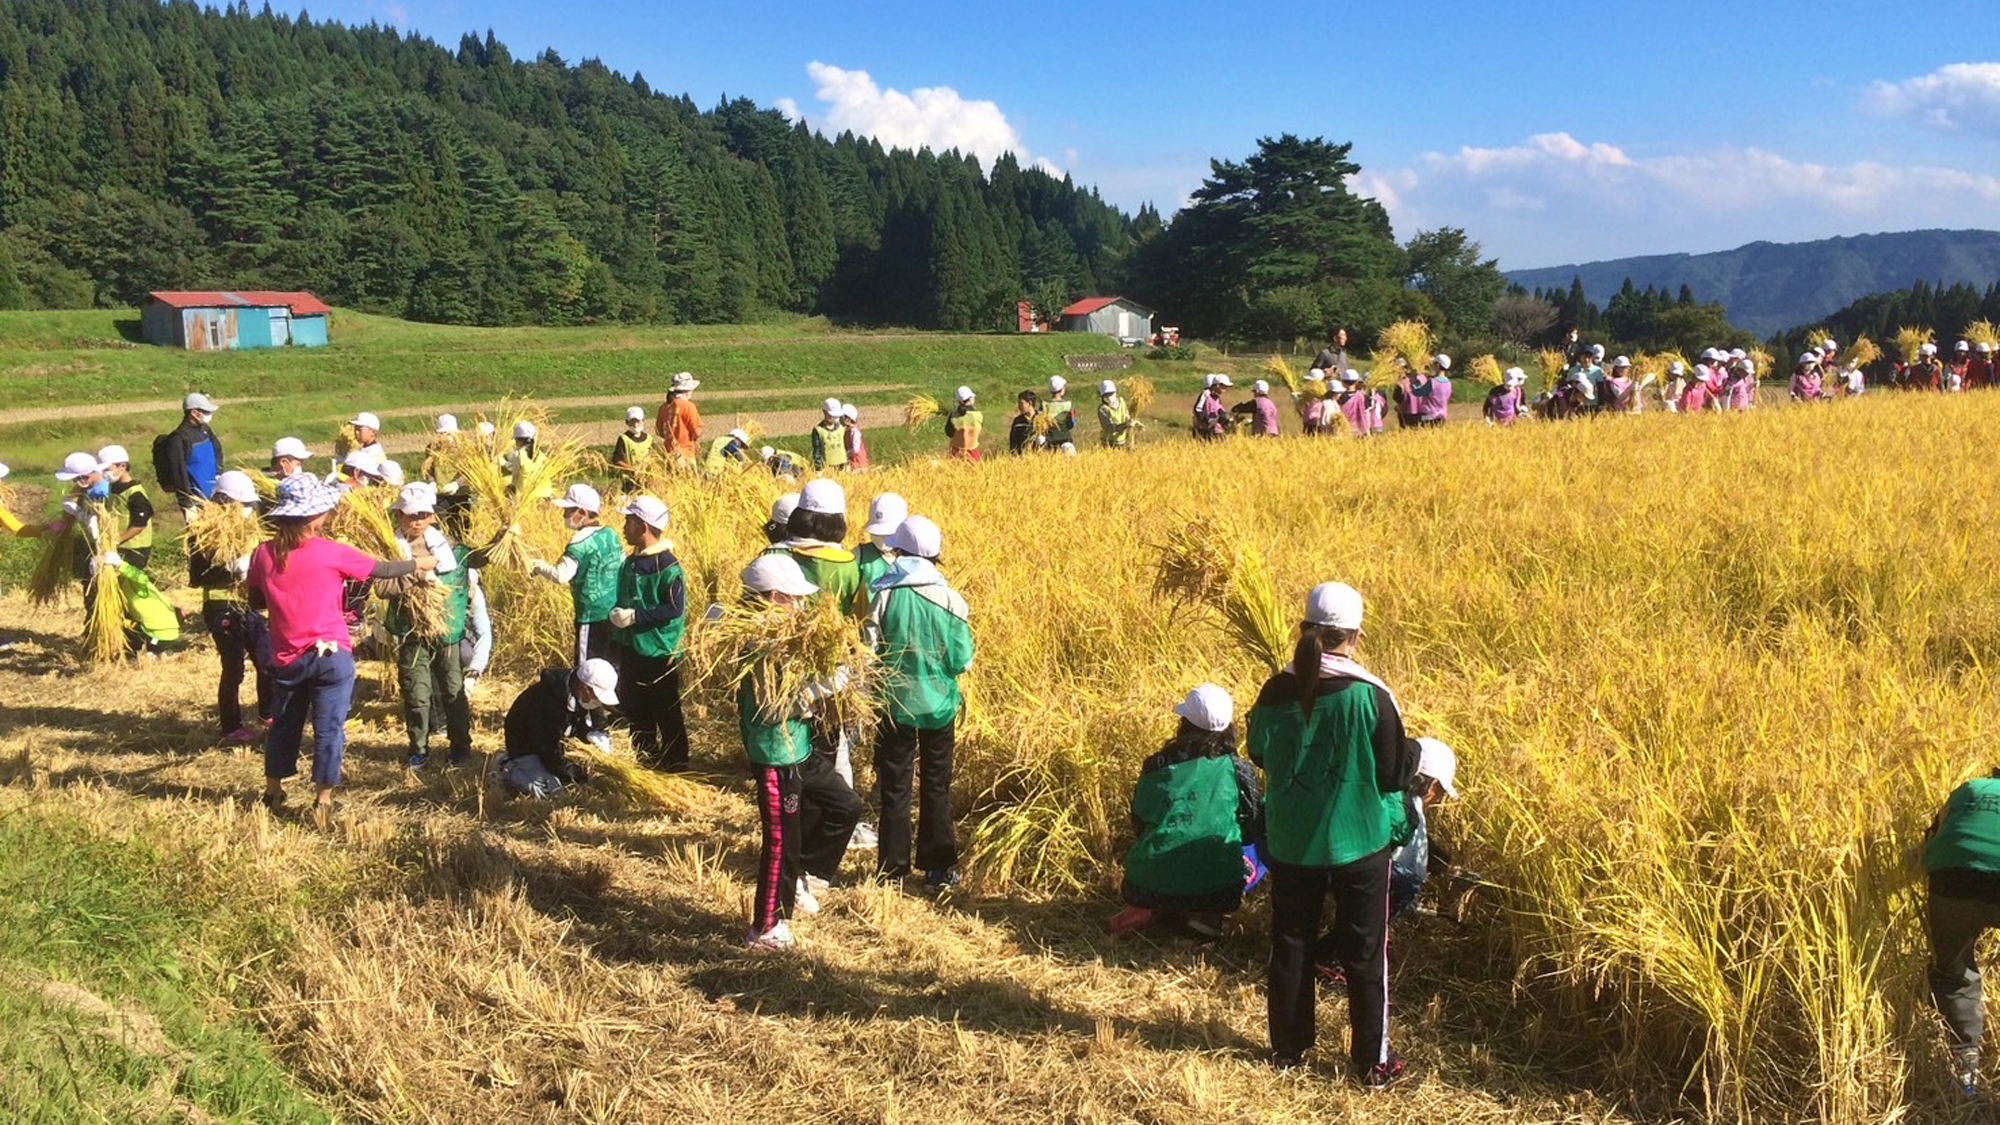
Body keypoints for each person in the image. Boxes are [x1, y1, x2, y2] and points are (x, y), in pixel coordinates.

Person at [1248, 581, 1417, 1084]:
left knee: (1291, 942)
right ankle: (1371, 1062)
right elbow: (1392, 774)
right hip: (1360, 842)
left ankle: (1288, 1050)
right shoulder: (1371, 695)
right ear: (1356, 637)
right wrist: (1413, 755)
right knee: (1365, 953)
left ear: (1305, 629)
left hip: (1292, 842)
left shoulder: (1275, 690)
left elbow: (1259, 752)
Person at [249, 475, 431, 823]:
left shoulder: (263, 553)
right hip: (331, 655)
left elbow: (256, 600)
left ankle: (272, 792)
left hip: (287, 657)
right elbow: (381, 570)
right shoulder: (331, 552)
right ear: (313, 517)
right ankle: (323, 800)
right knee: (329, 729)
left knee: (284, 724)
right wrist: (418, 564)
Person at [736, 555, 864, 949]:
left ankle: (797, 878)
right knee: (780, 844)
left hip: (799, 746)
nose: (801, 605)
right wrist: (819, 689)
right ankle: (766, 927)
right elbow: (770, 708)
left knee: (845, 805)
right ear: (775, 597)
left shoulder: (782, 637)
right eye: (795, 598)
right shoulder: (759, 643)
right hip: (776, 755)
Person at [863, 515, 974, 889]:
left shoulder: (886, 595)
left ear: (900, 552)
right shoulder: (952, 600)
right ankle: (938, 868)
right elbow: (962, 661)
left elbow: (869, 652)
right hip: (940, 705)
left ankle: (891, 871)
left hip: (894, 705)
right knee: (936, 784)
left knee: (895, 786)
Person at [1109, 684, 1264, 940]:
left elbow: (1139, 821)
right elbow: (1250, 828)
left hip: (1143, 887)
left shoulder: (1156, 765)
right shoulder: (1238, 770)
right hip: (1218, 892)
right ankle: (1207, 918)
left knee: (1163, 867)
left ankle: (1149, 909)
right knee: (1258, 843)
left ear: (1185, 723)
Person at [382, 483, 473, 770]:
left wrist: (505, 535)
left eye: (423, 514)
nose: (418, 520)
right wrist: (416, 570)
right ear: (398, 515)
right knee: (416, 694)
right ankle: (418, 749)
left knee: (453, 689)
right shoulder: (390, 548)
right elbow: (382, 588)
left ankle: (461, 748)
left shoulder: (449, 547)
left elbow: (480, 558)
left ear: (433, 516)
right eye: (411, 515)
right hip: (411, 632)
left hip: (446, 631)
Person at [1922, 769, 2000, 1096]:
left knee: (1955, 975)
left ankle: (1966, 1078)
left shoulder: (1971, 787)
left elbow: (1931, 839)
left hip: (1951, 880)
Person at [608, 495, 691, 771]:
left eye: (628, 521)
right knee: (635, 705)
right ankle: (646, 757)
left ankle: (676, 759)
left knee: (665, 706)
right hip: (631, 646)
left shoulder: (667, 566)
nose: (624, 527)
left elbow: (674, 608)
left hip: (659, 650)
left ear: (643, 526)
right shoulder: (631, 562)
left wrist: (635, 616)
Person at [189, 470, 271, 744]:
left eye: (249, 505)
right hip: (220, 604)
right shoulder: (204, 532)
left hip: (249, 604)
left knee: (266, 659)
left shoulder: (252, 528)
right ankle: (231, 726)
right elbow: (196, 576)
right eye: (242, 504)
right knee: (234, 667)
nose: (247, 510)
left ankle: (268, 714)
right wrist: (226, 567)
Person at [530, 483, 625, 665]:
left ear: (582, 513)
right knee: (610, 666)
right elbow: (623, 564)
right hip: (613, 612)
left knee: (586, 668)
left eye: (568, 510)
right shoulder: (610, 534)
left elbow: (561, 576)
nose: (564, 515)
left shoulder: (579, 542)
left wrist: (538, 566)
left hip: (590, 615)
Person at [500, 659, 620, 798]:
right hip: (527, 749)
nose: (598, 703)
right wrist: (582, 775)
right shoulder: (548, 704)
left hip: (549, 745)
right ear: (585, 688)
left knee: (565, 779)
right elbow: (550, 754)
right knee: (550, 790)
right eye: (597, 697)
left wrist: (588, 733)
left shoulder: (574, 690)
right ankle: (508, 765)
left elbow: (571, 725)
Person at [1386, 738, 1458, 922]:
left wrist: (1445, 866)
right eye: (1441, 792)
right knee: (1406, 883)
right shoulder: (1407, 813)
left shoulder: (1391, 793)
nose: (1439, 800)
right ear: (1433, 786)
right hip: (1359, 884)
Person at [157, 392, 224, 512]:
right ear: (194, 413)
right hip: (195, 501)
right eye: (206, 412)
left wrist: (219, 474)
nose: (209, 415)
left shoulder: (205, 429)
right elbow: (178, 472)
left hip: (213, 496)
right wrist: (186, 503)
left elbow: (217, 450)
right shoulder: (179, 438)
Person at [98, 444, 156, 572]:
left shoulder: (135, 493)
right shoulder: (112, 488)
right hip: (118, 545)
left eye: (107, 469)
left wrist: (117, 540)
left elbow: (139, 524)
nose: (104, 473)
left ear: (122, 467)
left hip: (134, 548)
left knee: (130, 580)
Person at [857, 492, 907, 590]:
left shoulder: (914, 559)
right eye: (878, 534)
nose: (882, 538)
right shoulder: (859, 556)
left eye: (888, 534)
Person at [656, 371, 702, 459]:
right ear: (688, 390)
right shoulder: (688, 406)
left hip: (668, 453)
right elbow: (697, 432)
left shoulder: (664, 407)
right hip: (685, 453)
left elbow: (660, 431)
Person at [610, 407, 655, 487]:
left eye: (638, 421)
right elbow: (617, 460)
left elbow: (653, 457)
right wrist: (633, 469)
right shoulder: (624, 439)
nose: (635, 425)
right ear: (627, 422)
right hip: (630, 481)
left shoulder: (649, 438)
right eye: (632, 422)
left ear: (643, 421)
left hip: (646, 479)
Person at [1412, 355, 1452, 428]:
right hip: (1442, 416)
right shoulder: (1448, 382)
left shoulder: (1432, 382)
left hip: (1428, 416)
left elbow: (1417, 392)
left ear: (1438, 365)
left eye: (1434, 363)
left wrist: (1413, 382)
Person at [811, 397, 849, 472]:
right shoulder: (818, 430)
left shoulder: (841, 428)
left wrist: (847, 463)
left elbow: (845, 446)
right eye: (832, 416)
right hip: (827, 468)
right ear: (824, 412)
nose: (835, 418)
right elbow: (817, 451)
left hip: (842, 465)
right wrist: (818, 468)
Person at [945, 386, 983, 461]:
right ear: (970, 399)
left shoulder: (953, 416)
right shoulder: (978, 415)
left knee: (953, 468)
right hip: (972, 452)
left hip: (956, 453)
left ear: (959, 402)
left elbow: (949, 433)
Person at [1041, 376, 1077, 448]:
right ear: (1062, 390)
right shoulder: (1069, 405)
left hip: (1048, 440)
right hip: (1065, 439)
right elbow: (1071, 425)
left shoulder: (1044, 405)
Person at [1097, 379, 1134, 449]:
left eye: (1111, 394)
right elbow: (1109, 427)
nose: (1109, 397)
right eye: (1106, 395)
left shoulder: (1121, 401)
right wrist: (1125, 425)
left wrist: (1131, 422)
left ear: (1115, 393)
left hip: (1122, 441)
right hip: (1109, 443)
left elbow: (1126, 415)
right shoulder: (1103, 409)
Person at [1192, 375, 1231, 441]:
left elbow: (1219, 408)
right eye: (1224, 387)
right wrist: (1208, 420)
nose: (1225, 390)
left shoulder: (1216, 397)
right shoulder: (1206, 394)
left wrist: (1223, 415)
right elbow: (1198, 409)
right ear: (1217, 385)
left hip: (1215, 429)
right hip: (1204, 429)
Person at [1008, 390, 1041, 455]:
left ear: (1029, 403)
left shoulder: (1041, 419)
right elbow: (1013, 442)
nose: (1019, 406)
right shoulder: (1018, 421)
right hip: (1022, 457)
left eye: (1021, 403)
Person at [841, 404, 870, 471]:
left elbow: (856, 449)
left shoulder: (854, 432)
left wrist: (845, 455)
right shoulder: (847, 431)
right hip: (852, 462)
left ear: (848, 419)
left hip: (858, 464)